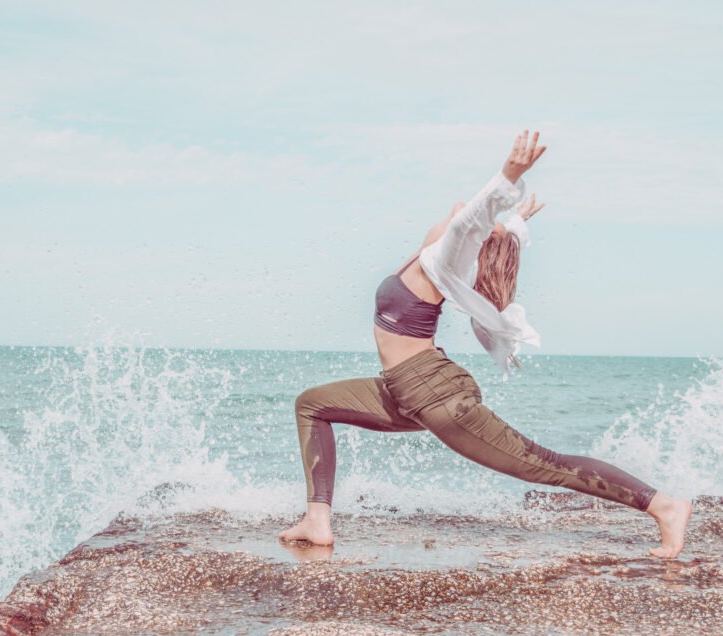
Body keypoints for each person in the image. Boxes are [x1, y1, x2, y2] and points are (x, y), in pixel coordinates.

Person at [280, 130, 692, 558]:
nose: (459, 211)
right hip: (406, 388)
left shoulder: (443, 258)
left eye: (480, 231)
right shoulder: (430, 255)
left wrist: (510, 175)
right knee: (312, 403)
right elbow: (481, 226)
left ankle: (663, 505)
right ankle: (317, 520)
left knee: (542, 463)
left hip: (435, 395)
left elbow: (471, 220)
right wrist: (516, 223)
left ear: (474, 245)